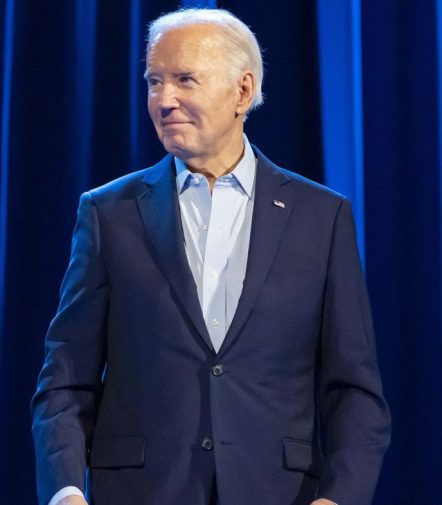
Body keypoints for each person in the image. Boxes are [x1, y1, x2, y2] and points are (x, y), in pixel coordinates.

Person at [31, 8, 390, 505]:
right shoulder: (108, 213)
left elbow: (354, 390)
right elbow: (66, 380)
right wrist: (66, 492)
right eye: (154, 81)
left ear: (242, 92)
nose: (164, 100)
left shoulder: (321, 216)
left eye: (184, 79)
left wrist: (339, 499)